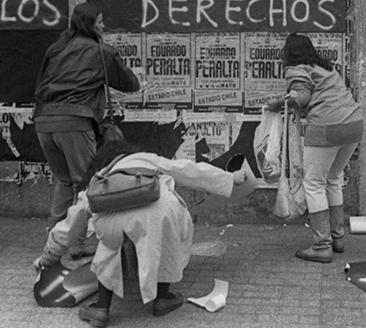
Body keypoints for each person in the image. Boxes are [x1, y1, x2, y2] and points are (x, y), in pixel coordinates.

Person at [34, 140, 248, 327]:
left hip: (113, 219)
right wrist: (230, 178)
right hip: (160, 210)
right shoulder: (145, 159)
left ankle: (101, 308)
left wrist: (48, 256)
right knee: (166, 244)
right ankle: (163, 299)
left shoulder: (100, 176)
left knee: (108, 249)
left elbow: (71, 223)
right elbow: (189, 170)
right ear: (126, 152)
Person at [33, 2, 140, 227]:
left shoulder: (55, 49)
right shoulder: (101, 52)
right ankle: (80, 241)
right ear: (89, 25)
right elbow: (130, 83)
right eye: (100, 21)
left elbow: (40, 85)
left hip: (43, 121)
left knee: (64, 180)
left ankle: (55, 234)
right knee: (88, 183)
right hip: (75, 121)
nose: (103, 26)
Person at [266, 33, 363, 263]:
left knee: (313, 183)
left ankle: (321, 246)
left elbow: (300, 97)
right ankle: (337, 238)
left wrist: (276, 104)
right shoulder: (325, 68)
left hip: (327, 126)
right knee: (332, 178)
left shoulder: (295, 69)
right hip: (354, 124)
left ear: (288, 53)